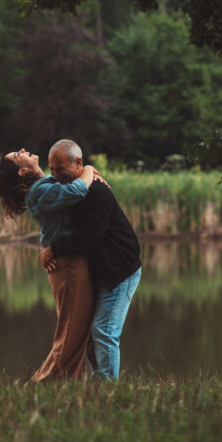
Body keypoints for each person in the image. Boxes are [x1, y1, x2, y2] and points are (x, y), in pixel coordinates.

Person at [0, 148, 103, 382]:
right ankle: (42, 383)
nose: (23, 149)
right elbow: (77, 190)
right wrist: (90, 170)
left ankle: (77, 382)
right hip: (68, 265)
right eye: (17, 154)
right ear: (22, 170)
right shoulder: (39, 190)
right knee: (71, 332)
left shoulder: (45, 184)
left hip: (69, 261)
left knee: (76, 329)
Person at [40, 139, 142, 381]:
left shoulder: (97, 192)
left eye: (60, 170)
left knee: (104, 331)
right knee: (87, 333)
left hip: (119, 272)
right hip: (98, 271)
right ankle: (97, 383)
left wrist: (53, 249)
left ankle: (107, 389)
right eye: (51, 169)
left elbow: (88, 237)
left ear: (78, 163)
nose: (54, 175)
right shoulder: (73, 190)